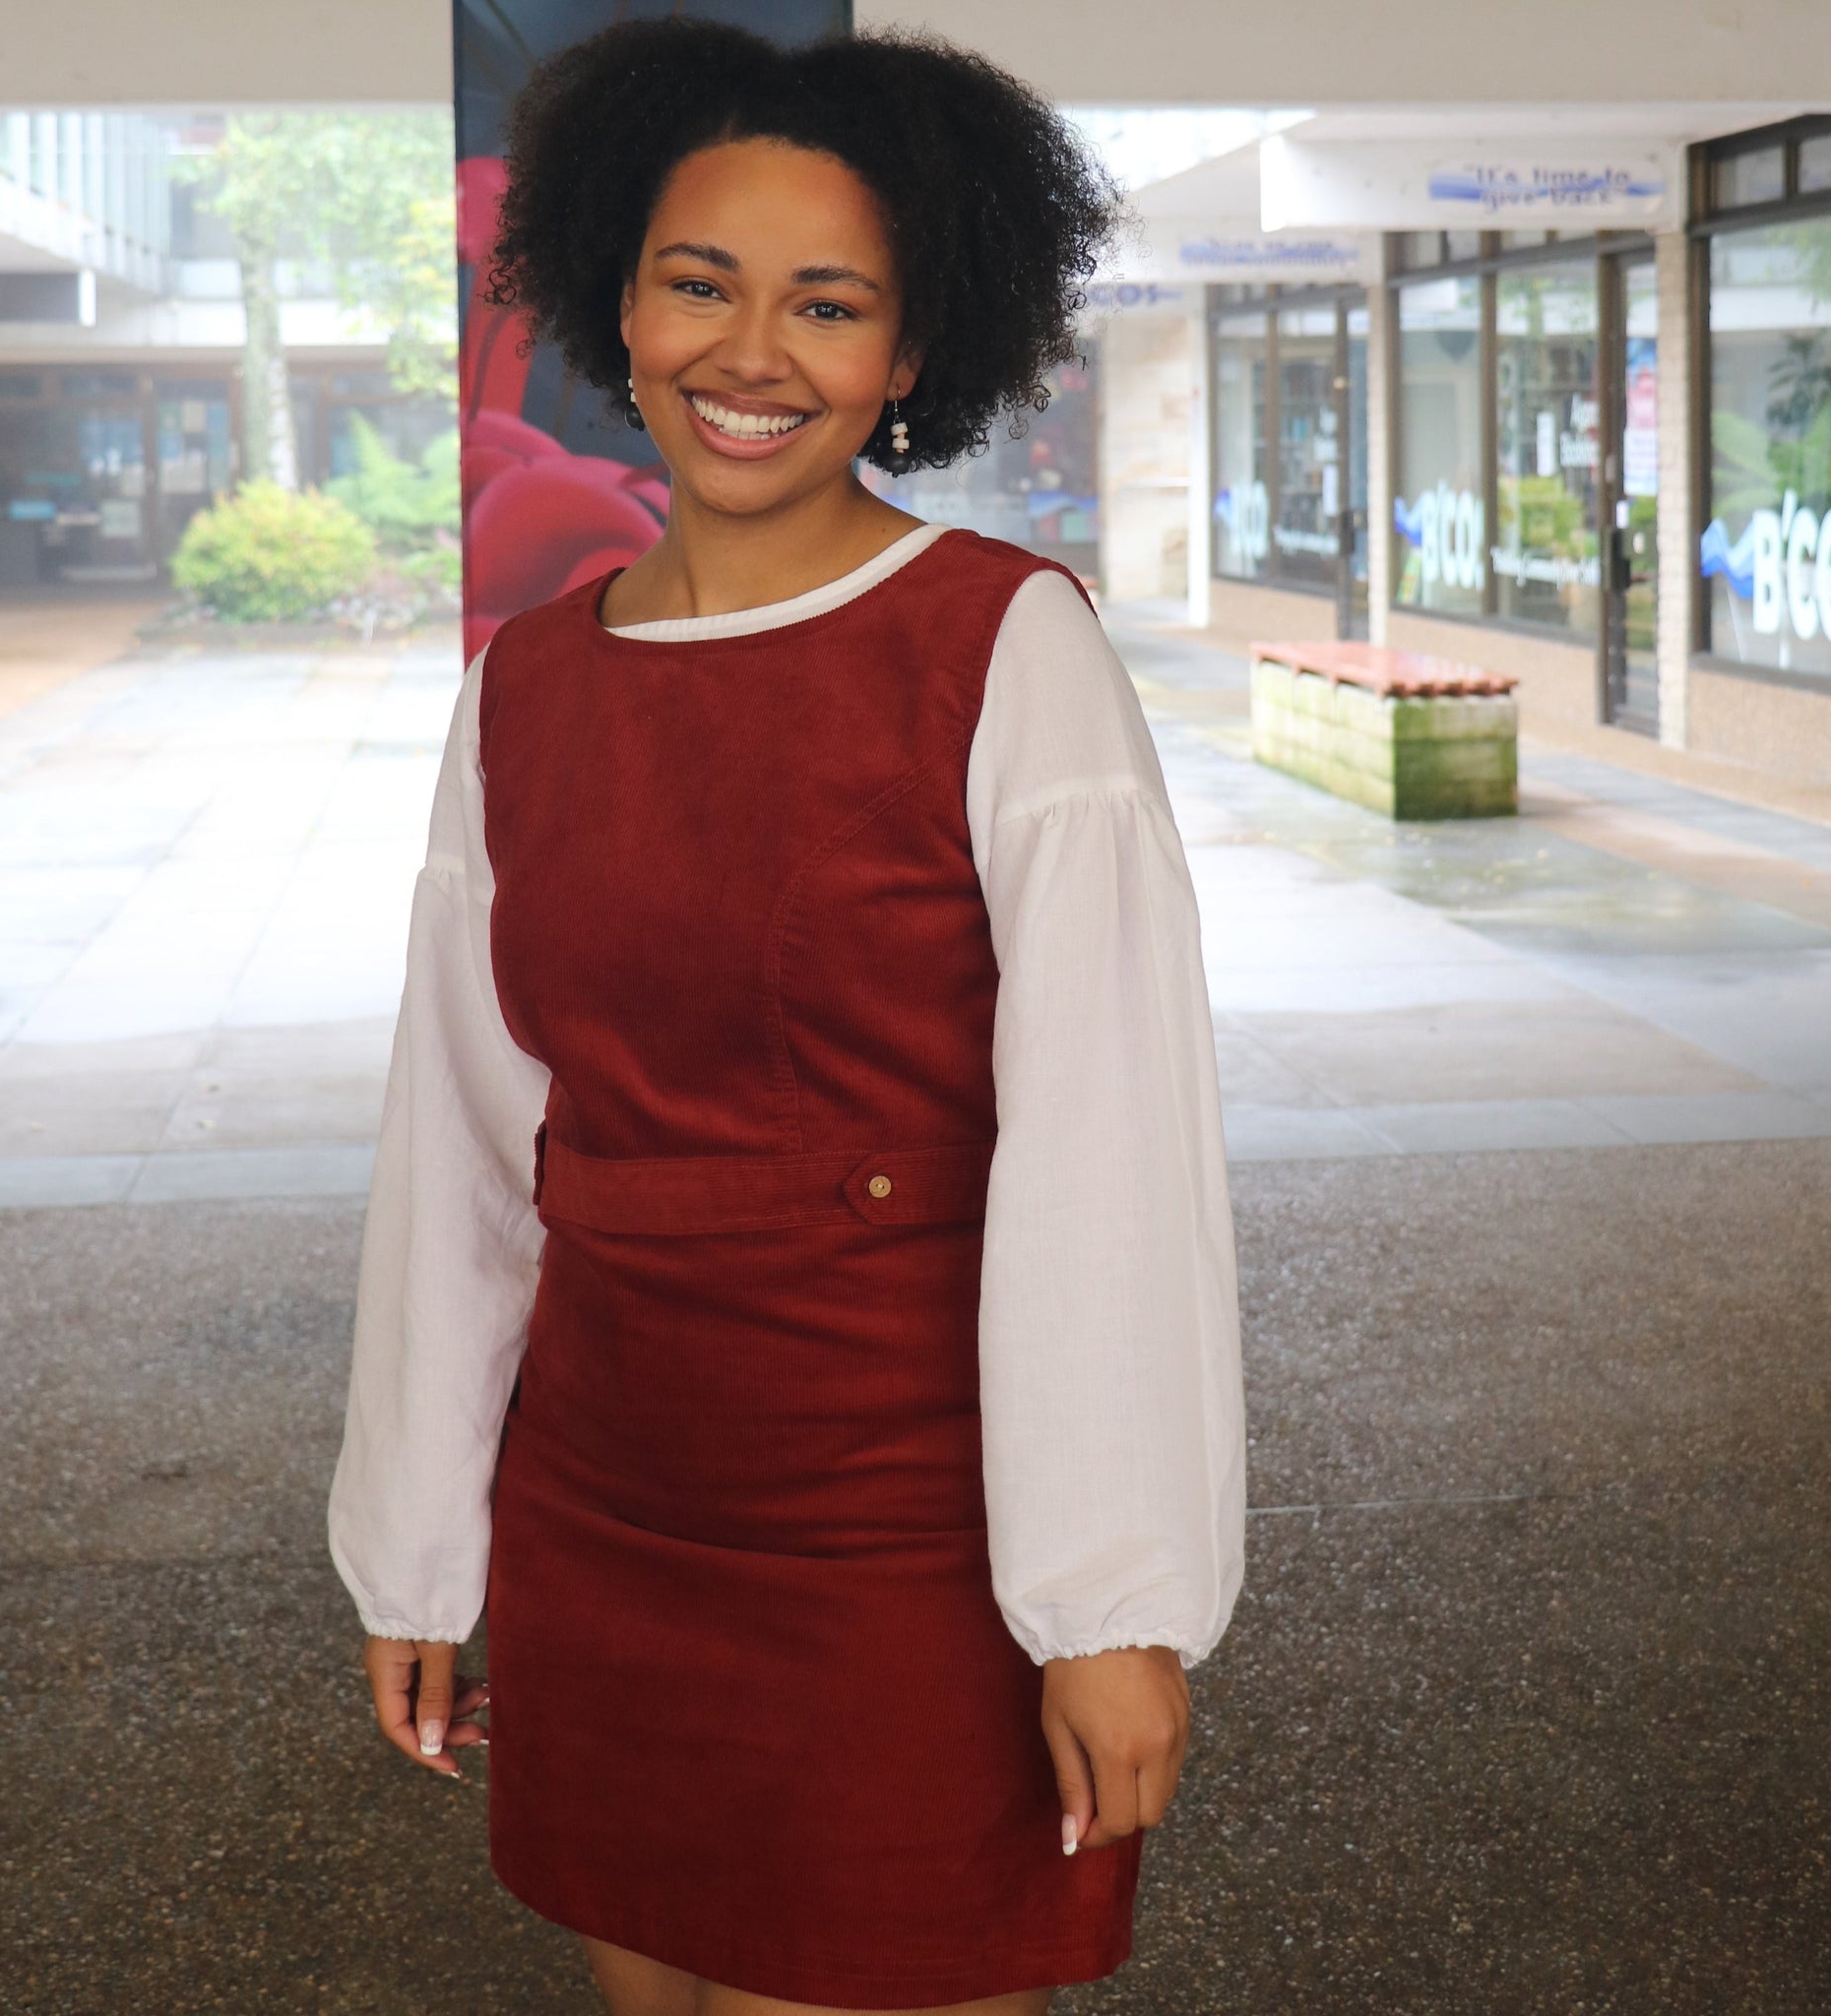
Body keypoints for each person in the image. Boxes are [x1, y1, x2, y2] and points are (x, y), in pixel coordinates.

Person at [327, 19, 1246, 2015]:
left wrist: (1110, 1601)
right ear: (618, 305)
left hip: (906, 1552)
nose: (752, 354)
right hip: (603, 1523)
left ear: (910, 355)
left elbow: (1110, 1157)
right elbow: (467, 1148)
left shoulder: (1005, 648)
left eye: (828, 305)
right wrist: (419, 1543)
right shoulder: (527, 687)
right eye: (700, 283)